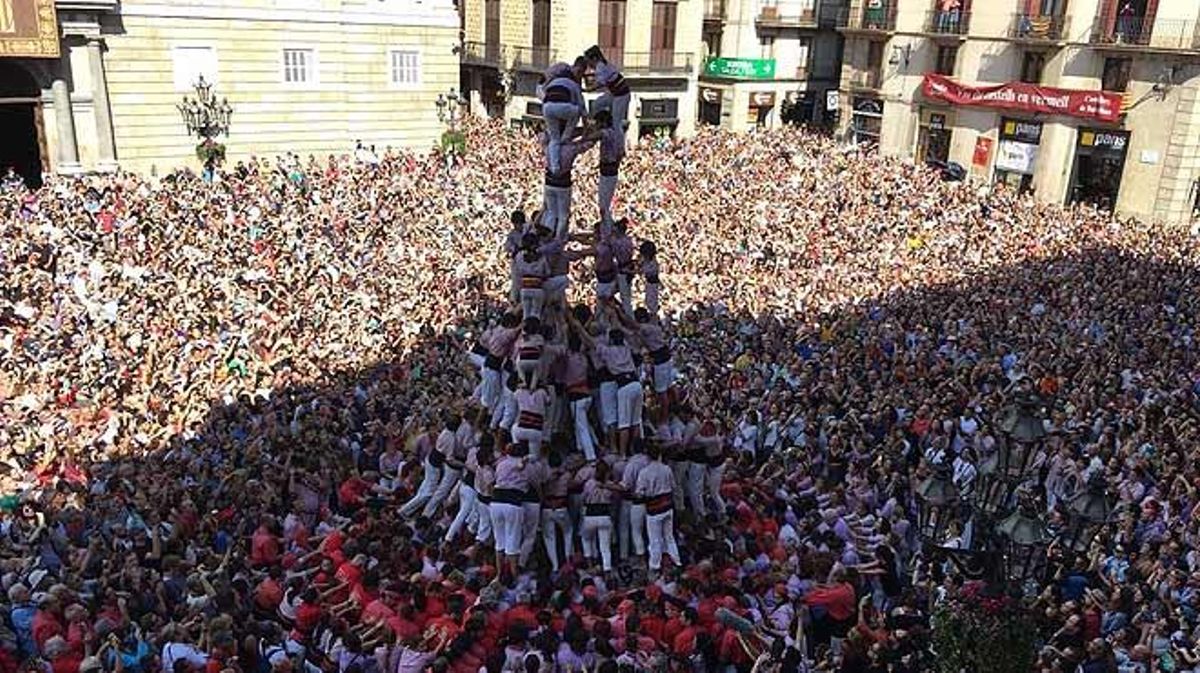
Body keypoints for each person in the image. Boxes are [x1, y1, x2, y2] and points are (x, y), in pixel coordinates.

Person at [633, 444, 681, 576]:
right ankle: (677, 562)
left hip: (654, 508)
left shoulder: (644, 472)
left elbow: (639, 493)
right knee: (669, 537)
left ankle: (655, 566)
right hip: (667, 506)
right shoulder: (667, 469)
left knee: (655, 539)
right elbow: (673, 486)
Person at [539, 62, 587, 175]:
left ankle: (555, 168)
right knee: (578, 110)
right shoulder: (574, 84)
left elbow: (542, 92)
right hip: (562, 107)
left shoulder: (552, 82)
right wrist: (586, 125)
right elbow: (582, 106)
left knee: (554, 139)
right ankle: (565, 137)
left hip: (547, 108)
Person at [584, 46, 631, 139]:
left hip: (621, 96)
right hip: (613, 93)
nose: (588, 65)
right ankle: (599, 123)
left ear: (594, 58)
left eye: (588, 61)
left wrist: (587, 90)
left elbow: (599, 84)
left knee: (616, 123)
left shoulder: (600, 67)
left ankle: (619, 144)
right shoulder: (603, 65)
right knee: (596, 104)